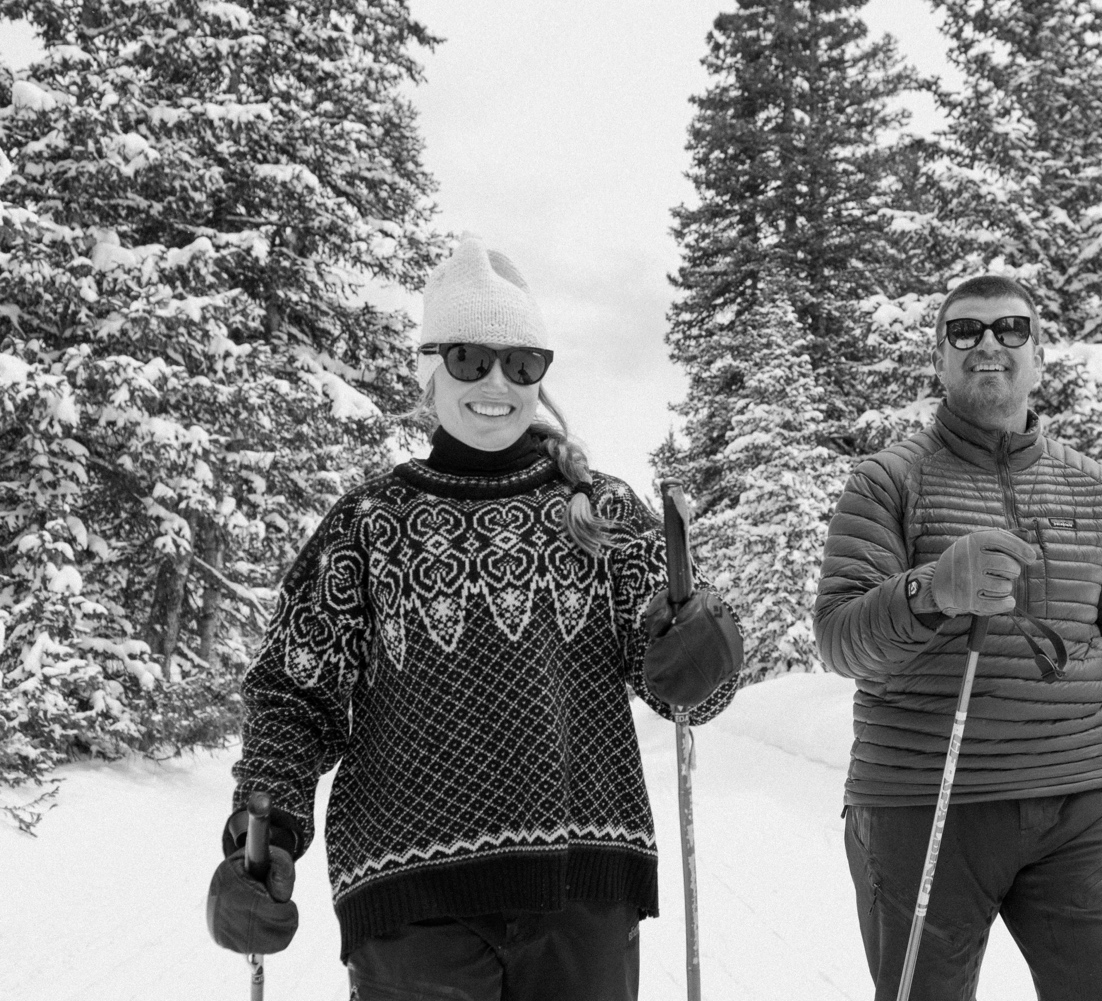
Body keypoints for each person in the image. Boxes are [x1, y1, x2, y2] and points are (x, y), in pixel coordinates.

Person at [205, 235, 743, 1000]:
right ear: (430, 368)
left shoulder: (604, 512)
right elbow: (292, 697)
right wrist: (265, 837)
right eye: (469, 359)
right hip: (410, 906)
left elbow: (689, 691)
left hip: (581, 890)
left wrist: (704, 646)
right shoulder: (368, 524)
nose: (496, 382)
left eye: (522, 363)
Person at [814, 274, 1102, 1001]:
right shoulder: (888, 481)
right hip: (924, 800)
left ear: (1038, 358)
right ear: (939, 359)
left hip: (1078, 805)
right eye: (965, 331)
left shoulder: (1095, 492)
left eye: (1011, 329)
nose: (988, 344)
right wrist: (931, 590)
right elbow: (840, 638)